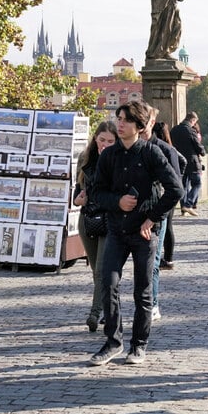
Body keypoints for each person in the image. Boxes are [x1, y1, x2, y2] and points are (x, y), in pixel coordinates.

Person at [88, 101, 184, 366]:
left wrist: (153, 218)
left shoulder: (152, 154)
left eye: (127, 120)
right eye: (119, 118)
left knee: (142, 292)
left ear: (140, 126)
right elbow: (96, 193)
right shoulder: (109, 156)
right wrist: (116, 202)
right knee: (108, 283)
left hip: (143, 234)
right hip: (117, 230)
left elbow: (176, 190)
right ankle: (112, 342)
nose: (120, 124)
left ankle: (138, 345)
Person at [74, 120, 118, 332]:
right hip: (88, 220)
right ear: (95, 139)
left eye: (111, 141)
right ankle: (106, 309)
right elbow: (76, 190)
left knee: (102, 270)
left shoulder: (119, 159)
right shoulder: (85, 158)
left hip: (110, 220)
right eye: (102, 140)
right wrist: (78, 199)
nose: (105, 144)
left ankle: (94, 313)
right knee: (96, 271)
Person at [143, 109, 186, 319]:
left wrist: (159, 212)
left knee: (153, 262)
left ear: (151, 122)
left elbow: (177, 186)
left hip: (158, 215)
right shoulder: (124, 149)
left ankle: (152, 304)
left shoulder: (165, 150)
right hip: (131, 214)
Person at [152, 120, 182, 272]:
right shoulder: (170, 148)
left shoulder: (162, 148)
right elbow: (182, 162)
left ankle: (168, 258)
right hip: (171, 190)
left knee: (167, 225)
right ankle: (168, 257)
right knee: (168, 225)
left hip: (167, 191)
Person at [170, 112, 205, 216]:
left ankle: (183, 209)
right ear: (192, 120)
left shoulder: (174, 130)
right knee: (197, 184)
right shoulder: (190, 130)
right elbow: (197, 145)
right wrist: (203, 151)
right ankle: (188, 204)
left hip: (179, 161)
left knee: (184, 185)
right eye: (195, 122)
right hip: (192, 162)